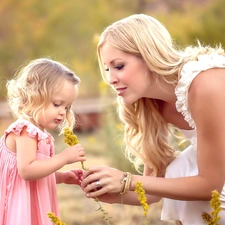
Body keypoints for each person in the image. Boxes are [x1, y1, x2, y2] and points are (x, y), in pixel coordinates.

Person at [81, 14, 225, 225]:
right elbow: (152, 191)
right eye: (107, 69)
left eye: (119, 66)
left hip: (215, 180)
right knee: (179, 169)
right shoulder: (152, 105)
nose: (111, 79)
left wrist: (126, 180)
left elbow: (210, 186)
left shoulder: (204, 84)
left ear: (149, 56)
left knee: (184, 170)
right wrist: (114, 192)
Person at [0, 58, 86, 225]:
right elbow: (27, 171)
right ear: (34, 96)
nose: (62, 112)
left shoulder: (40, 133)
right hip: (20, 207)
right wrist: (64, 158)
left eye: (67, 107)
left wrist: (61, 177)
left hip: (32, 202)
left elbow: (37, 173)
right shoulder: (25, 130)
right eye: (57, 104)